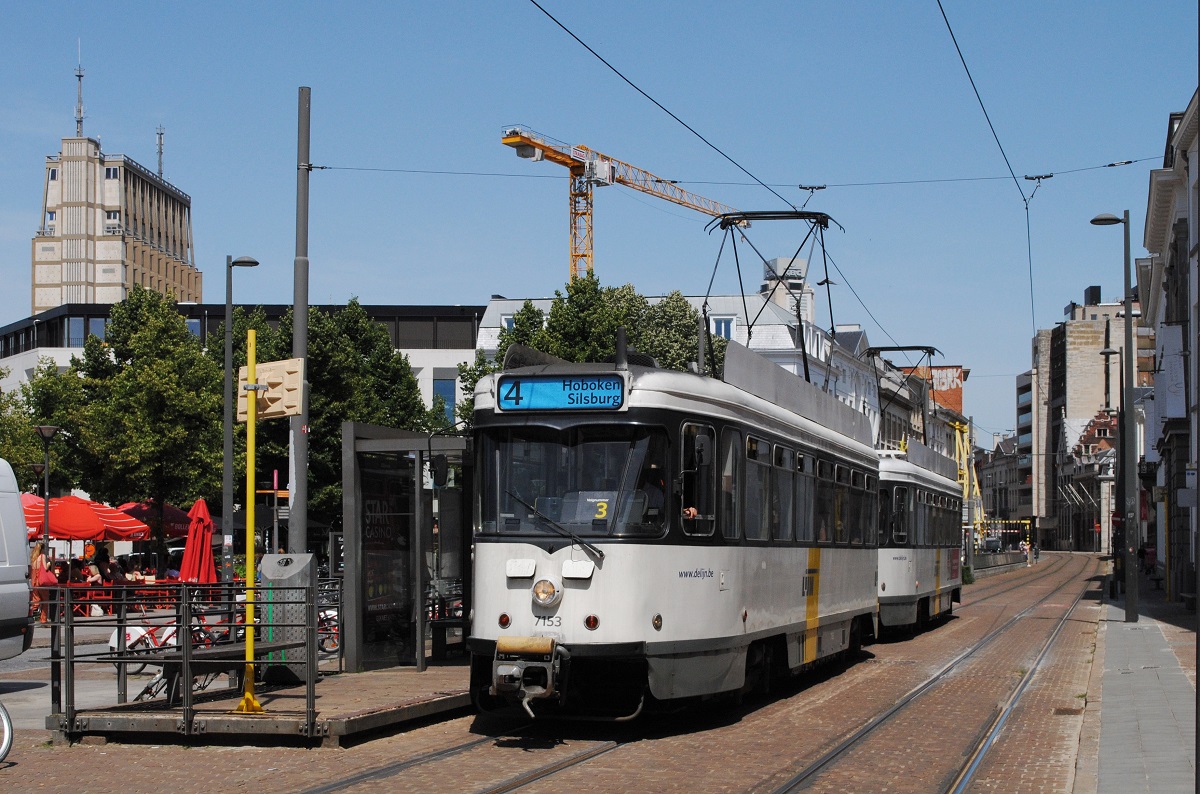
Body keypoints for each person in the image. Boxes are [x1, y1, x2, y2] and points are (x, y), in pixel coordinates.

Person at [29, 541, 52, 623]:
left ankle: (28, 614)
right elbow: (45, 568)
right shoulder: (42, 556)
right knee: (45, 601)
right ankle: (43, 620)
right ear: (43, 549)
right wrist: (49, 564)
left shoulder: (33, 558)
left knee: (36, 601)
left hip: (34, 582)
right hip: (41, 582)